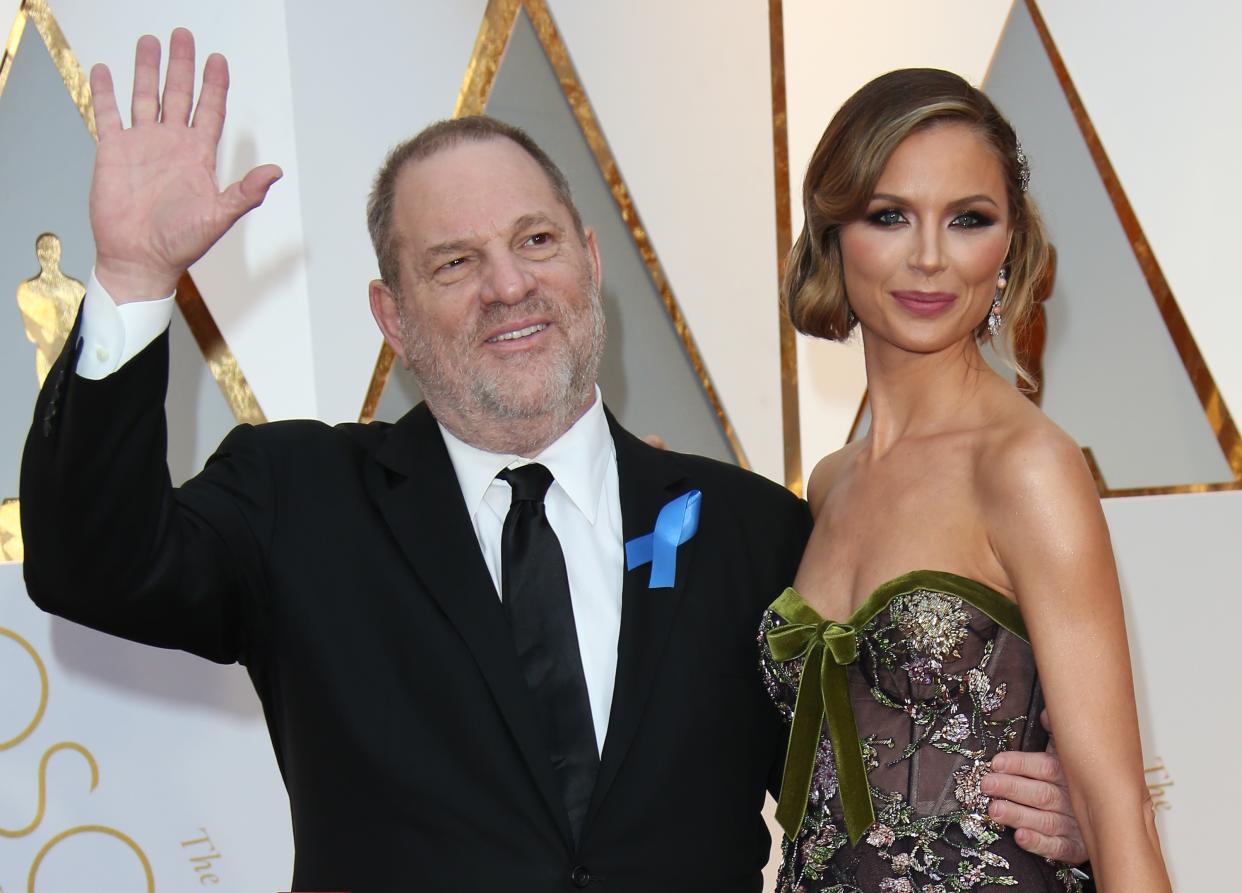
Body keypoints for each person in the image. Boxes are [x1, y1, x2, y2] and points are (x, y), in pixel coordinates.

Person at [18, 31, 1086, 892]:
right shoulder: (296, 499)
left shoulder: (753, 530)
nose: (507, 286)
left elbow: (867, 791)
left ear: (589, 259)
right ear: (391, 315)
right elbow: (88, 562)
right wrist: (130, 281)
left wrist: (1059, 813)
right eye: (454, 261)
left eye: (534, 242)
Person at [761, 69, 1171, 891]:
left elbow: (1114, 808)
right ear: (835, 232)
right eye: (889, 216)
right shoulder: (832, 482)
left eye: (968, 220)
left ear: (1010, 243)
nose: (928, 257)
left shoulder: (1025, 466)